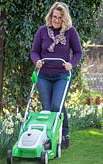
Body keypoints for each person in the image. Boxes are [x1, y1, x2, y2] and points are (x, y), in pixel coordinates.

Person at [30, 2, 82, 149]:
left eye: (60, 18)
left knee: (57, 106)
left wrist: (71, 63)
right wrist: (37, 61)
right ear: (50, 16)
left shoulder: (70, 32)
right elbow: (34, 52)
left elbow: (78, 52)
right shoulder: (42, 31)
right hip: (44, 76)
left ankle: (64, 133)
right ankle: (48, 137)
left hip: (62, 75)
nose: (56, 20)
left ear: (64, 19)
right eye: (54, 17)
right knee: (47, 108)